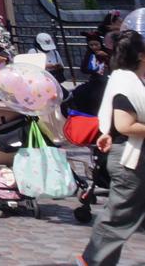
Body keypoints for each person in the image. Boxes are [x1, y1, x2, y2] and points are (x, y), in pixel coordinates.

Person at [81, 29, 145, 266]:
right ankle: (93, 261)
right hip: (130, 159)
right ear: (141, 55)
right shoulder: (127, 83)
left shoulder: (127, 79)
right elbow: (124, 124)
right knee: (118, 217)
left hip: (131, 154)